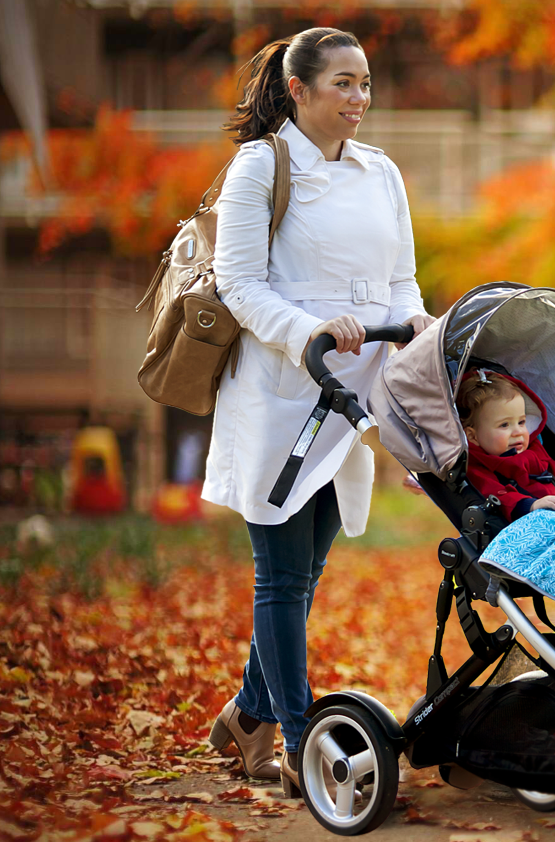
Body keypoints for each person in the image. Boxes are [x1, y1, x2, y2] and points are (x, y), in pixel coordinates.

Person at [204, 27, 434, 797]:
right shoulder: (260, 166)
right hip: (277, 394)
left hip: (352, 398)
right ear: (298, 89)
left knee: (308, 574)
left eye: (365, 83)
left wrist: (414, 329)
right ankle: (298, 736)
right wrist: (310, 331)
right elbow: (240, 284)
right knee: (280, 577)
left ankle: (246, 714)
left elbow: (403, 281)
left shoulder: (382, 173)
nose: (359, 99)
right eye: (343, 83)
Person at [456, 369, 555, 521]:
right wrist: (530, 505)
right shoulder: (478, 468)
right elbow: (496, 496)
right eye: (504, 425)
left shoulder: (534, 452)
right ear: (473, 436)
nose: (518, 432)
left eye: (522, 422)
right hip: (533, 525)